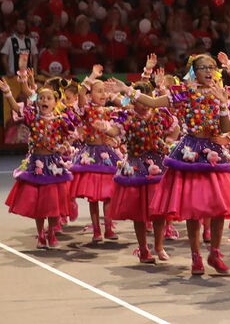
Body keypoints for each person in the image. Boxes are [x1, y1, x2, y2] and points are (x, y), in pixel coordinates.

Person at [109, 54, 230, 277]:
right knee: (193, 209)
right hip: (189, 154)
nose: (208, 71)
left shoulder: (223, 92)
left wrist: (224, 104)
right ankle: (196, 256)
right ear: (193, 72)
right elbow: (153, 102)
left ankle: (215, 253)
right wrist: (127, 90)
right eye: (203, 67)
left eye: (212, 67)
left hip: (213, 153)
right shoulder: (184, 92)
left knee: (218, 208)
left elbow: (226, 126)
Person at [105, 80, 178, 263]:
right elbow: (114, 131)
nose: (144, 106)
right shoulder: (126, 116)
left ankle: (159, 247)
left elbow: (175, 129)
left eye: (147, 100)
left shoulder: (161, 114)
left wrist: (168, 142)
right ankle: (144, 248)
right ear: (132, 100)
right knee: (139, 212)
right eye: (139, 101)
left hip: (158, 164)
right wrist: (105, 128)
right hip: (136, 165)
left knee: (159, 210)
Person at [2, 74, 74, 249]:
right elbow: (17, 110)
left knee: (54, 203)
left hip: (54, 166)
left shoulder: (60, 121)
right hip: (36, 165)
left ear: (55, 102)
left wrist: (64, 146)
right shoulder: (33, 118)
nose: (44, 100)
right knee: (40, 205)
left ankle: (51, 233)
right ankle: (41, 235)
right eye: (41, 98)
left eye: (48, 98)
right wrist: (8, 93)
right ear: (38, 101)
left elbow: (71, 136)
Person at [70, 69, 124, 242]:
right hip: (91, 156)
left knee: (108, 195)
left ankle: (108, 228)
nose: (102, 94)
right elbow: (80, 92)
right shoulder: (85, 109)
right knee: (93, 197)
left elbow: (128, 108)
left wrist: (116, 92)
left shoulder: (111, 110)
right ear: (90, 94)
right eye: (98, 91)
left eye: (104, 91)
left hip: (108, 156)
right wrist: (92, 76)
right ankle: (96, 230)